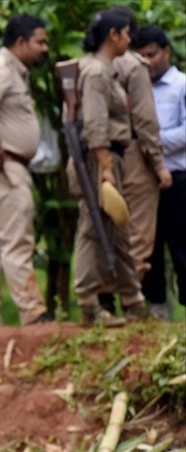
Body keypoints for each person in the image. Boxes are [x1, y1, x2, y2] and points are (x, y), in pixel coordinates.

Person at [0, 14, 51, 326]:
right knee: (17, 240)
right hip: (2, 167)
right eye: (40, 41)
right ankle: (33, 313)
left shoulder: (14, 71)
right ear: (20, 42)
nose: (45, 48)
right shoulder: (1, 68)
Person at [71, 9, 149, 326]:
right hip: (98, 157)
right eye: (127, 33)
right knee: (93, 228)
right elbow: (95, 124)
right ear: (113, 35)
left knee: (118, 229)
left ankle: (134, 300)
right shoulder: (95, 73)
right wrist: (104, 167)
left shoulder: (104, 70)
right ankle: (88, 302)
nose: (130, 40)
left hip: (111, 156)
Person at [97, 7, 171, 315]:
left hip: (100, 157)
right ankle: (132, 300)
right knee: (138, 232)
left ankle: (101, 298)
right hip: (133, 154)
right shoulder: (132, 66)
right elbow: (144, 119)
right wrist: (158, 164)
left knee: (103, 229)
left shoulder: (88, 67)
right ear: (117, 34)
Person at [134, 25, 186, 318]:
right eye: (141, 56)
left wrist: (150, 143)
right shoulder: (136, 88)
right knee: (149, 250)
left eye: (151, 55)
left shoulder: (182, 86)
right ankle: (156, 315)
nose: (147, 62)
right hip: (146, 182)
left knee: (182, 248)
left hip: (178, 181)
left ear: (166, 51)